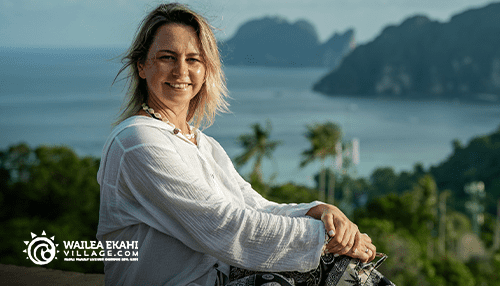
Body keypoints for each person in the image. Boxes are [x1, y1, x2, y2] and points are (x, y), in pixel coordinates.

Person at [97, 3, 389, 285]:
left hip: (221, 279)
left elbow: (255, 208)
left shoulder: (204, 145)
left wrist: (321, 212)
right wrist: (326, 240)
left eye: (193, 59)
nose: (180, 71)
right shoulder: (136, 142)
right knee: (337, 266)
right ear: (142, 66)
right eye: (167, 57)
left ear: (206, 69)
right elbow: (222, 225)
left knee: (344, 268)